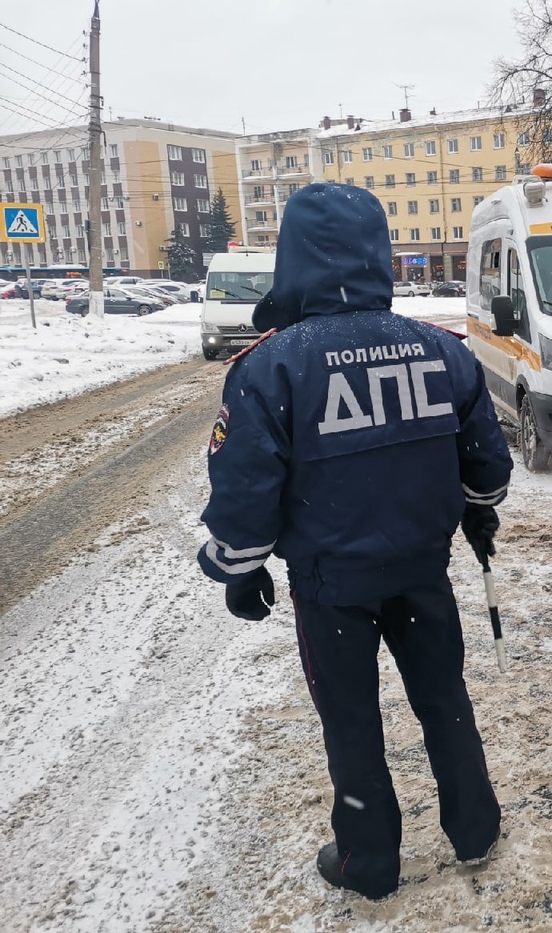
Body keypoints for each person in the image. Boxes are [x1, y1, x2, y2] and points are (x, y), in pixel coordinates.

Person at [196, 183, 513, 900]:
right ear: (381, 255)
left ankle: (369, 860)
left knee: (351, 720)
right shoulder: (443, 353)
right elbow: (488, 465)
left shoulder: (273, 367)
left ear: (294, 258)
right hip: (420, 573)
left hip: (332, 586)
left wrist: (236, 569)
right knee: (443, 698)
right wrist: (476, 510)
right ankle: (476, 829)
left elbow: (246, 488)